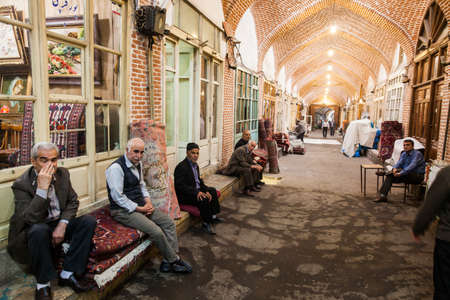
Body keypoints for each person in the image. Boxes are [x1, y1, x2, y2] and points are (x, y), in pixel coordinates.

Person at [7, 142, 96, 300]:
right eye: (44, 160)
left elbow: (73, 201)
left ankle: (67, 273)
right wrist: (42, 189)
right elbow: (30, 219)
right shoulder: (22, 184)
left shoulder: (62, 174)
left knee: (88, 221)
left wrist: (62, 225)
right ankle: (43, 284)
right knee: (39, 230)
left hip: (56, 222)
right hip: (34, 227)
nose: (50, 165)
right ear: (33, 161)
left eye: (54, 160)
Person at [106, 138, 192, 274]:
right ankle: (174, 260)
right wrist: (140, 208)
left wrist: (148, 202)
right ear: (127, 151)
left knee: (168, 222)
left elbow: (141, 185)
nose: (139, 156)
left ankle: (167, 260)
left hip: (141, 205)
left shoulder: (137, 164)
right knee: (156, 231)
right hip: (122, 210)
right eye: (135, 152)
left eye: (141, 152)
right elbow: (118, 197)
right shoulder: (116, 168)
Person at [411, 166, 450, 300]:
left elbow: (431, 205)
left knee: (444, 285)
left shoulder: (447, 174)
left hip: (447, 241)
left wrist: (418, 227)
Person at [174, 143, 222, 235]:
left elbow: (199, 181)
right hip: (185, 195)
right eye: (193, 153)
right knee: (202, 198)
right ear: (187, 153)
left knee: (212, 191)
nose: (195, 155)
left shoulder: (195, 165)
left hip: (195, 190)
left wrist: (205, 190)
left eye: (197, 153)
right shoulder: (181, 167)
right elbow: (180, 186)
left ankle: (213, 216)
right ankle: (206, 223)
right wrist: (197, 192)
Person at [375, 139, 425, 203]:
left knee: (393, 173)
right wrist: (394, 169)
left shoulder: (417, 154)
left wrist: (401, 173)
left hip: (416, 176)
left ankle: (385, 172)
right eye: (404, 145)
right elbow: (399, 163)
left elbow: (411, 166)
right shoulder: (404, 153)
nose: (405, 146)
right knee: (390, 176)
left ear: (412, 146)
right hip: (406, 175)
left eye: (408, 145)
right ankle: (383, 196)